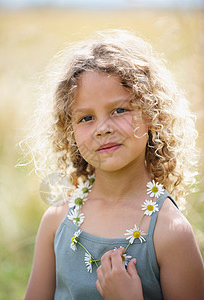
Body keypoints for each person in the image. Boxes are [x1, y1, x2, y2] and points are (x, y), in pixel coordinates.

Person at [24, 29, 204, 300]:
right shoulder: (56, 222)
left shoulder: (170, 232)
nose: (102, 129)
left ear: (152, 115)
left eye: (119, 110)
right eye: (86, 118)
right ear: (69, 131)